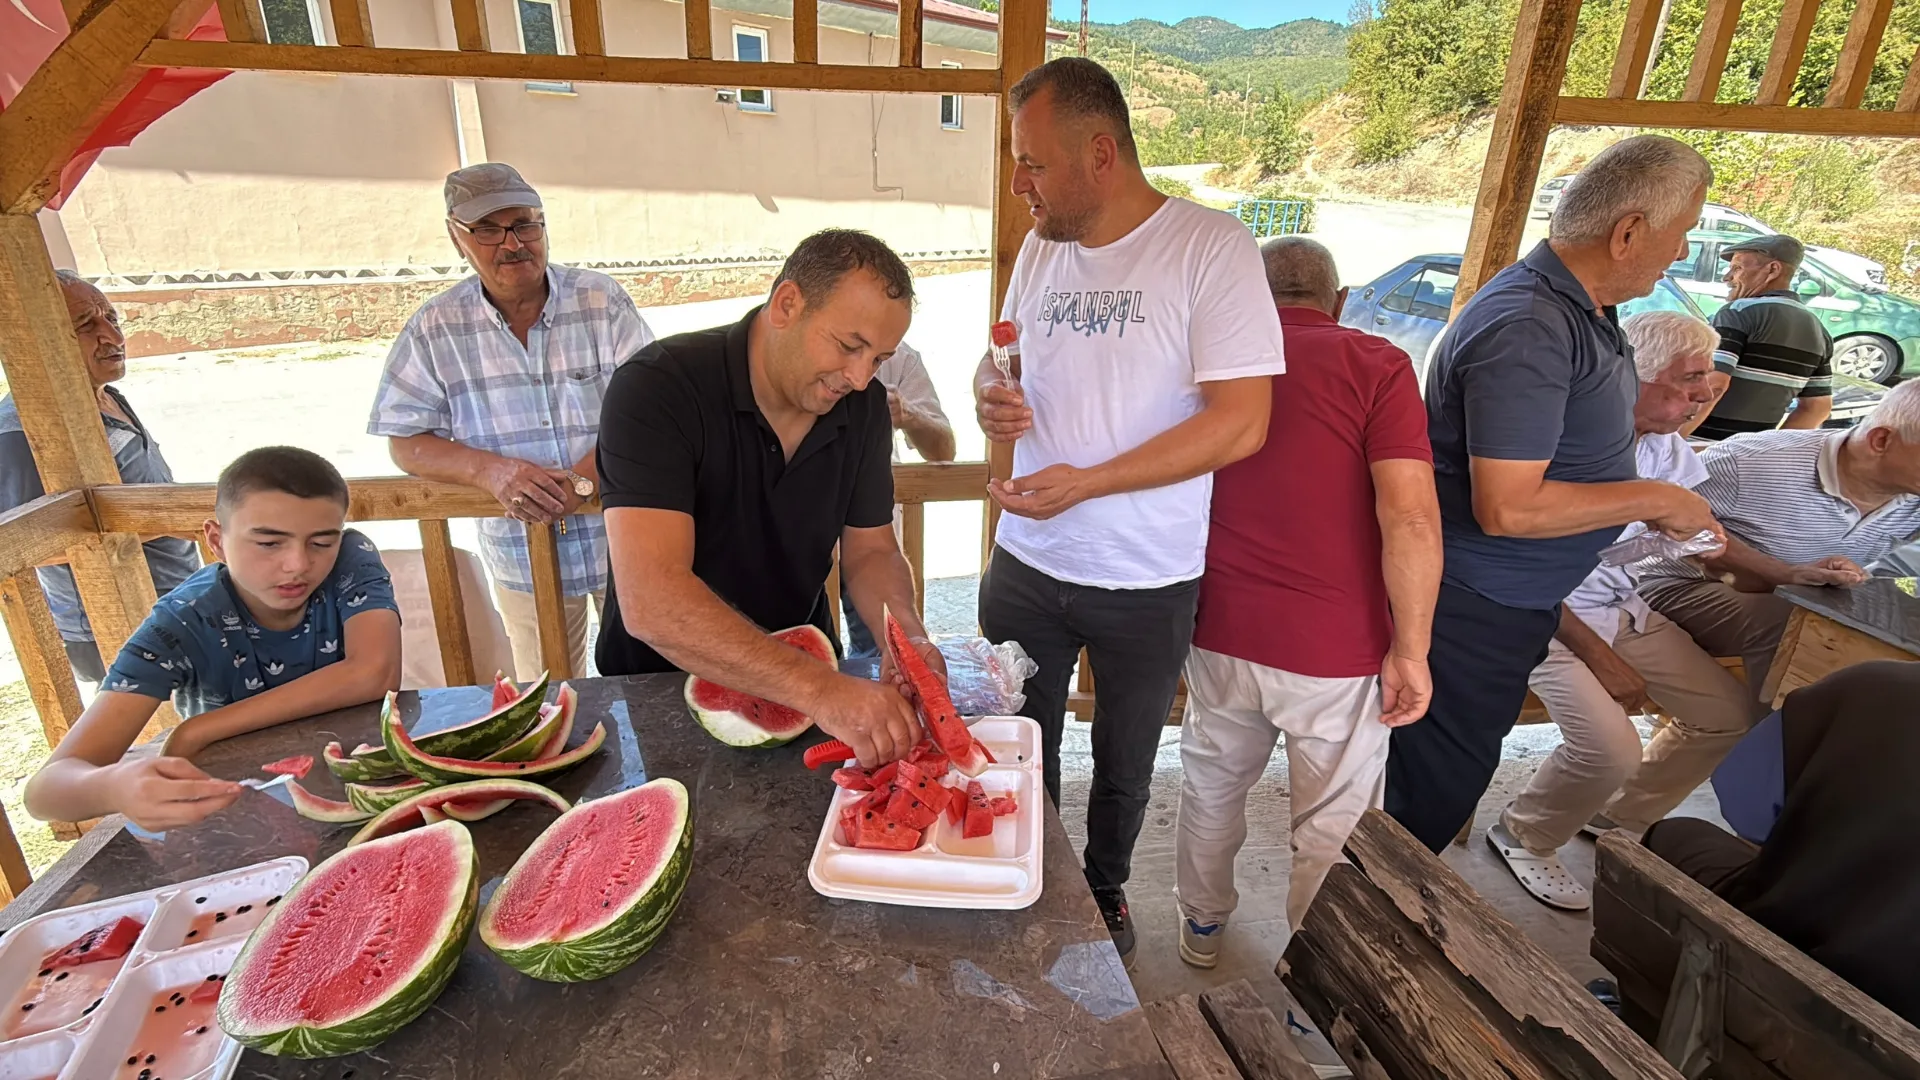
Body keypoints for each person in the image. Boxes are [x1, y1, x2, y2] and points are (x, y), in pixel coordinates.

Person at [974, 57, 1286, 966]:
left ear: (1099, 153)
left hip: (1146, 575)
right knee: (1011, 742)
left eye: (1031, 162)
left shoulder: (1209, 247)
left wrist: (1090, 481)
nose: (1017, 181)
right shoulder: (1042, 248)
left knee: (1123, 761)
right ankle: (1018, 875)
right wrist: (993, 392)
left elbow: (1243, 422)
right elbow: (1004, 362)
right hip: (1027, 560)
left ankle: (1103, 891)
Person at [1389, 135, 1724, 853]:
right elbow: (1508, 507)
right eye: (1681, 235)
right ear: (1629, 230)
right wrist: (1652, 498)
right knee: (1425, 799)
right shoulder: (1530, 326)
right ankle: (1362, 941)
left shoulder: (1586, 311)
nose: (1681, 254)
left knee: (1446, 784)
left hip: (1518, 599)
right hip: (1475, 604)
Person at [1175, 237, 1440, 967]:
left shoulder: (1214, 368)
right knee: (1334, 825)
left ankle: (1200, 928)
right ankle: (1318, 981)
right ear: (1343, 299)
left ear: (1250, 301)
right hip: (1336, 643)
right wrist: (1411, 650)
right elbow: (1411, 517)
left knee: (1210, 783)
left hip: (1219, 627)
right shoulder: (1377, 365)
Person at [594, 229, 940, 768]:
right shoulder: (656, 389)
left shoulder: (865, 408)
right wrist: (823, 691)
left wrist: (909, 638)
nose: (859, 376)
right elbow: (652, 601)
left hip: (810, 695)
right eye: (850, 346)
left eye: (879, 358)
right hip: (659, 688)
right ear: (786, 305)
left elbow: (871, 552)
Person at [1486, 311, 1752, 910]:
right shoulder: (1562, 444)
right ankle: (1525, 833)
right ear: (1634, 375)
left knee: (1728, 713)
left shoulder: (1665, 451)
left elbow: (1649, 545)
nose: (1704, 394)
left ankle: (1614, 814)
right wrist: (1603, 659)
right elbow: (1524, 573)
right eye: (1689, 379)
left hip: (1618, 603)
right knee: (1611, 747)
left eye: (1707, 378)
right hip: (1540, 616)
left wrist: (1777, 570)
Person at [369, 162, 654, 680]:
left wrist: (585, 478)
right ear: (458, 238)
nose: (512, 244)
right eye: (487, 230)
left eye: (525, 224)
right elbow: (407, 441)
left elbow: (655, 410)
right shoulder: (436, 327)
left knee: (652, 686)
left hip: (626, 540)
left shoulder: (601, 300)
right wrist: (493, 473)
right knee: (546, 700)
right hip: (521, 555)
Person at [23, 447, 402, 832]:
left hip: (361, 783)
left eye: (321, 543)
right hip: (236, 814)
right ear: (216, 541)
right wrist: (113, 787)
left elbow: (374, 672)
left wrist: (198, 730)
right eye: (269, 544)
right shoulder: (182, 620)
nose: (298, 564)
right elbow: (44, 792)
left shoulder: (351, 557)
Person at [1641, 661, 1920, 1027]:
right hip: (1896, 1029)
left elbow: (1747, 814)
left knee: (1672, 835)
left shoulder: (1876, 684)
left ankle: (1642, 1006)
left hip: (1796, 949)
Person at [1638, 379, 1920, 712]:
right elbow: (1652, 528)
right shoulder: (1752, 462)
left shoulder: (1912, 498)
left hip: (1799, 597)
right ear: (1881, 440)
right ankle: (1781, 752)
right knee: (1804, 630)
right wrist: (1781, 574)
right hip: (1677, 584)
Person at [0, 271, 199, 684]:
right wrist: (155, 522)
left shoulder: (107, 396)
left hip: (174, 601)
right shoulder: (23, 431)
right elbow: (24, 546)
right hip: (113, 624)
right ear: (38, 338)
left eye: (112, 318)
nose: (113, 336)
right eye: (86, 325)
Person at [841, 341, 955, 659]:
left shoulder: (900, 356)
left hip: (872, 527)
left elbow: (943, 450)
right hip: (800, 536)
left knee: (878, 651)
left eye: (877, 359)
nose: (861, 376)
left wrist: (908, 414)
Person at [1692, 235, 1833, 441]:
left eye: (1737, 268)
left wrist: (1672, 442)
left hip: (1697, 446)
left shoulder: (1737, 312)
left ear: (1773, 270)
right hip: (1746, 458)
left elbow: (1714, 383)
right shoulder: (1819, 330)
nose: (1727, 277)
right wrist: (1765, 449)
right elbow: (1818, 407)